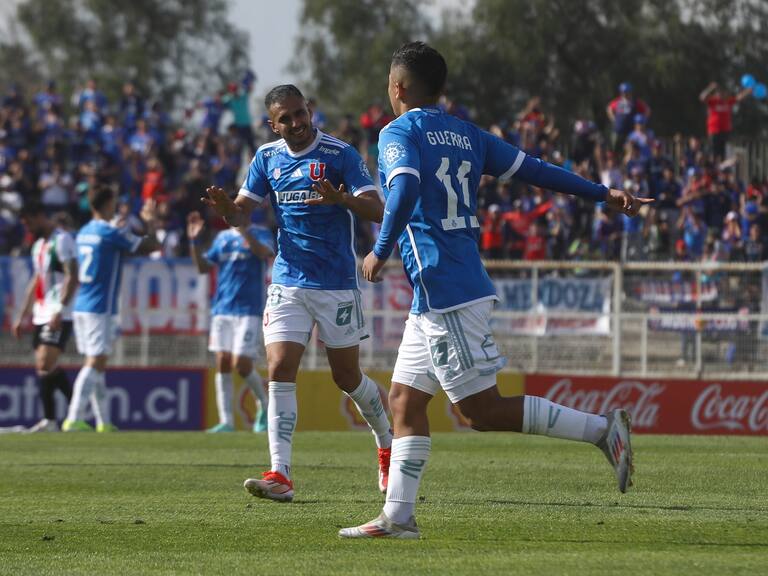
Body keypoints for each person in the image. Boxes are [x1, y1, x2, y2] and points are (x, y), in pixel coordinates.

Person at [341, 42, 651, 539]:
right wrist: (601, 193)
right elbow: (537, 169)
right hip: (439, 293)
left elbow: (400, 189)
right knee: (404, 402)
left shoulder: (398, 132)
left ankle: (602, 429)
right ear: (440, 89)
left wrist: (380, 247)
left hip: (447, 288)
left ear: (397, 88)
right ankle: (398, 517)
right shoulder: (469, 135)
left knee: (477, 411)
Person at [202, 84, 393, 503]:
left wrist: (340, 199)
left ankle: (386, 443)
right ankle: (281, 473)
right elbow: (241, 213)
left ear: (309, 111)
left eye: (300, 113)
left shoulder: (339, 154)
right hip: (288, 280)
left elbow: (378, 209)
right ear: (273, 124)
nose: (295, 123)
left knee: (347, 377)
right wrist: (225, 210)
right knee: (279, 369)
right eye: (285, 118)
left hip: (336, 284)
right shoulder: (266, 158)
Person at [62, 185, 159, 432]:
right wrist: (151, 223)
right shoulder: (109, 232)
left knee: (97, 363)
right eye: (114, 202)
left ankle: (103, 421)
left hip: (82, 305)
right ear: (106, 204)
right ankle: (73, 418)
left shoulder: (84, 231)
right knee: (96, 361)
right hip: (100, 306)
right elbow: (150, 246)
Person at [187, 211, 273, 433]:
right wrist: (194, 242)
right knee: (223, 361)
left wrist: (243, 230)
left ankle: (263, 403)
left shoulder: (261, 233)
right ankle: (226, 422)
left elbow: (264, 253)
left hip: (248, 309)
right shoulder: (222, 238)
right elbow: (203, 267)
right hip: (222, 309)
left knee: (241, 364)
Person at [12, 202, 78, 432]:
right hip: (41, 314)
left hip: (59, 312)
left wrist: (60, 308)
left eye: (29, 222)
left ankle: (75, 413)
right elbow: (36, 281)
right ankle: (51, 420)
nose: (28, 228)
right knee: (44, 369)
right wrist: (22, 315)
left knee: (45, 363)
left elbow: (73, 275)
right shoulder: (38, 245)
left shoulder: (62, 240)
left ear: (40, 215)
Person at [699, 82, 752, 161]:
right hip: (714, 130)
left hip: (725, 130)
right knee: (714, 152)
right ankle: (713, 169)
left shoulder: (728, 101)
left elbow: (738, 98)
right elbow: (702, 97)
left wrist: (748, 91)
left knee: (723, 153)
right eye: (719, 93)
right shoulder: (713, 101)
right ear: (716, 94)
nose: (721, 94)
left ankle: (722, 169)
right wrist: (710, 88)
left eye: (723, 93)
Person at [607, 82, 651, 154]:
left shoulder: (635, 102)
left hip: (630, 132)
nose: (625, 94)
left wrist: (643, 121)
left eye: (627, 92)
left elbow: (647, 110)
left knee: (630, 149)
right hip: (618, 131)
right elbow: (609, 108)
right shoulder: (617, 102)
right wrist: (613, 119)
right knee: (614, 149)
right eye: (623, 92)